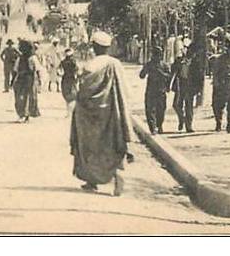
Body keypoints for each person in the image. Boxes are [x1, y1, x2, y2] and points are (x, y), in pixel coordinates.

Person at [70, 31, 132, 196]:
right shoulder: (115, 64)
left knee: (90, 145)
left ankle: (91, 180)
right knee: (113, 142)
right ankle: (118, 178)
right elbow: (124, 89)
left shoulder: (90, 65)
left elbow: (82, 90)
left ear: (94, 47)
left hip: (91, 115)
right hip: (112, 111)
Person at [139, 47, 172, 134]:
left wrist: (161, 74)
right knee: (150, 110)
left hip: (161, 90)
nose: (156, 57)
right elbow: (141, 75)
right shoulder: (149, 64)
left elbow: (169, 76)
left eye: (158, 55)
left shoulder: (165, 65)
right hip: (151, 90)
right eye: (155, 54)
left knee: (161, 110)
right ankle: (153, 128)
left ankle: (159, 125)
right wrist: (145, 69)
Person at [12, 40, 41, 121]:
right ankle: (23, 114)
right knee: (23, 96)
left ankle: (24, 115)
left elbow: (37, 69)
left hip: (28, 79)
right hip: (25, 78)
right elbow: (16, 69)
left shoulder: (31, 58)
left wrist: (38, 80)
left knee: (25, 97)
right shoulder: (21, 58)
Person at [169, 50, 187, 131]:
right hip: (179, 86)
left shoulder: (184, 63)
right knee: (177, 105)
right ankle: (182, 119)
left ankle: (182, 119)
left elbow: (173, 75)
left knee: (177, 104)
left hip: (182, 86)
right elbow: (174, 75)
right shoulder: (178, 63)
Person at [58, 48, 79, 117]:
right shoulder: (74, 62)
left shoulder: (63, 62)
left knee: (66, 95)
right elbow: (77, 70)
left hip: (65, 78)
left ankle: (68, 113)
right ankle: (71, 112)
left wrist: (60, 74)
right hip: (72, 79)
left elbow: (58, 70)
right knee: (72, 95)